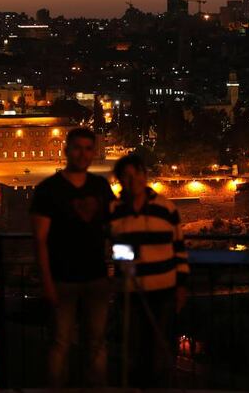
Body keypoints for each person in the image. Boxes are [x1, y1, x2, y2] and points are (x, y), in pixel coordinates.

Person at [30, 127, 115, 388]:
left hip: (96, 278)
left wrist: (120, 264)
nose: (83, 154)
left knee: (97, 344)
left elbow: (115, 228)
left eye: (88, 148)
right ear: (67, 150)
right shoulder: (49, 190)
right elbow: (40, 240)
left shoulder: (100, 186)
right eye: (77, 147)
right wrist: (47, 281)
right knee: (60, 343)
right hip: (62, 279)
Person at [109, 154, 189, 388]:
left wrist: (181, 286)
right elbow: (115, 246)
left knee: (160, 346)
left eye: (138, 174)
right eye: (127, 176)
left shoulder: (166, 207)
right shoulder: (114, 209)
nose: (134, 180)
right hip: (131, 291)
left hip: (164, 290)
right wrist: (128, 257)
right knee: (134, 348)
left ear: (145, 176)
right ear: (121, 180)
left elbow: (179, 249)